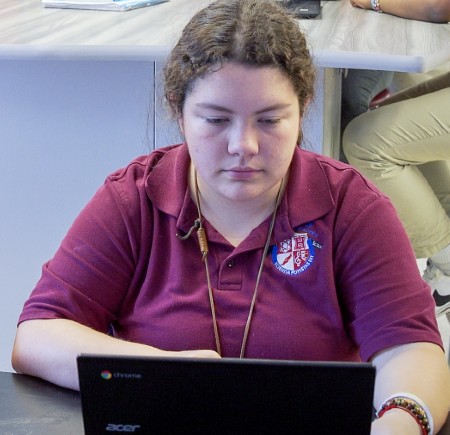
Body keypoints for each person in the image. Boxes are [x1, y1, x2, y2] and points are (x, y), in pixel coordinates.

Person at [11, 0, 450, 433]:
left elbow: (411, 349)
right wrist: (167, 371)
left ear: (303, 109)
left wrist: (398, 423)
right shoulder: (135, 198)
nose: (244, 146)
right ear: (178, 113)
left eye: (270, 119)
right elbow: (38, 335)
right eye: (216, 120)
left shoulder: (351, 208)